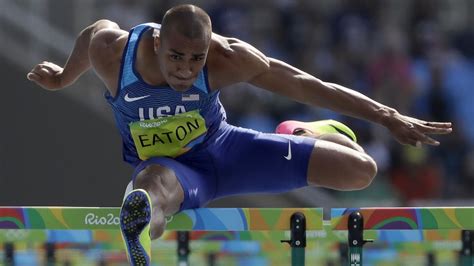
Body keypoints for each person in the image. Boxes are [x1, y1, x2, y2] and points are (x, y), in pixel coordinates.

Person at [27, 5, 452, 265]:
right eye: (176, 57)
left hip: (227, 150)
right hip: (174, 170)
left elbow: (305, 84)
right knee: (152, 188)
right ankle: (140, 226)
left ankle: (297, 132)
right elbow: (89, 37)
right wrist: (63, 77)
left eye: (196, 60)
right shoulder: (114, 53)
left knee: (361, 171)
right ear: (156, 43)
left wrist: (387, 114)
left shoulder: (227, 58)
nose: (186, 70)